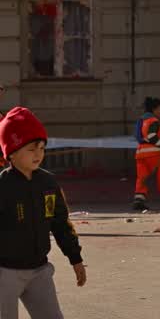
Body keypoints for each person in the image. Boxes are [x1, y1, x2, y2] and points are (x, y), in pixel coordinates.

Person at [0, 107, 86, 319]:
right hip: (5, 273)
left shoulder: (48, 182)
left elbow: (61, 223)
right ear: (12, 152)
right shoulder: (3, 186)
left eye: (41, 148)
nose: (38, 154)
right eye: (31, 149)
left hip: (40, 271)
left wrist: (75, 258)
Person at [133, 97, 160, 211]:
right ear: (154, 109)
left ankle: (139, 200)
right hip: (154, 154)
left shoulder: (141, 120)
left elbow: (139, 136)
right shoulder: (154, 121)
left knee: (142, 178)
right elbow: (151, 136)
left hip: (140, 153)